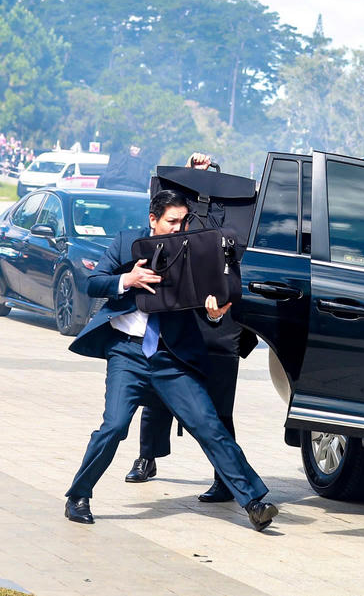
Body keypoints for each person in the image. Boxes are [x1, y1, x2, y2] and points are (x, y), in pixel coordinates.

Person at [63, 189, 278, 531]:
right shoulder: (126, 243)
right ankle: (79, 495)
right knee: (114, 426)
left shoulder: (193, 251)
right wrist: (126, 280)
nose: (178, 229)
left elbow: (212, 297)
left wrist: (215, 310)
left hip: (172, 358)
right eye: (171, 222)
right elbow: (92, 283)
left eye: (183, 221)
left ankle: (254, 502)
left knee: (209, 425)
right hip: (128, 353)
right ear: (153, 219)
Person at [125, 152, 253, 504]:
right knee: (156, 394)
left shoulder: (237, 227)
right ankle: (147, 457)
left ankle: (226, 480)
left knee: (218, 409)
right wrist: (193, 176)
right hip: (176, 312)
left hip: (218, 320)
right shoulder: (180, 218)